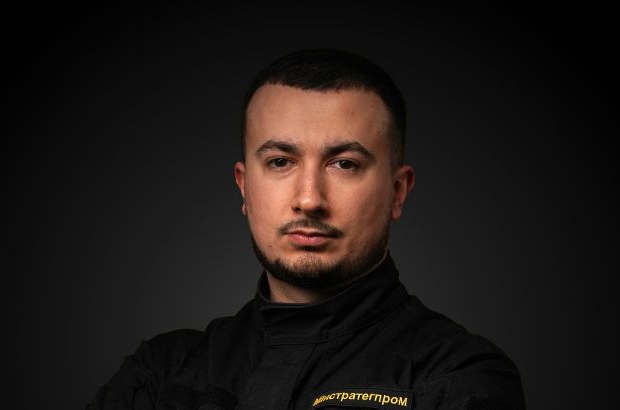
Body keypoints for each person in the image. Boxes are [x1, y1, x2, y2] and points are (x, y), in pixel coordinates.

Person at [87, 48, 525, 409]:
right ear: (244, 187)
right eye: (281, 162)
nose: (310, 199)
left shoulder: (459, 376)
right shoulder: (162, 372)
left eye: (344, 164)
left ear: (397, 192)